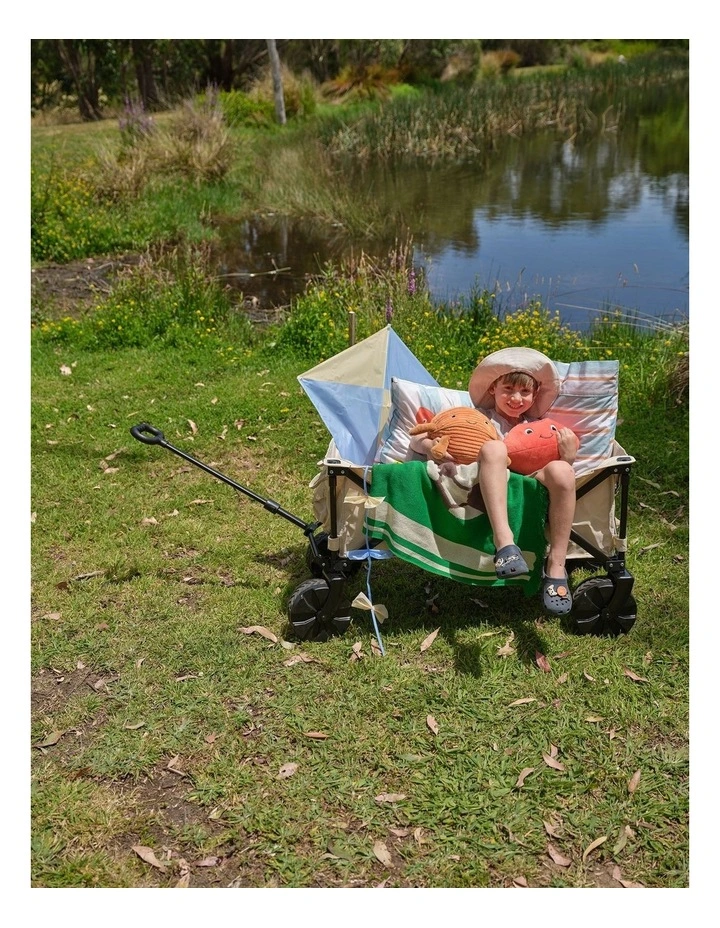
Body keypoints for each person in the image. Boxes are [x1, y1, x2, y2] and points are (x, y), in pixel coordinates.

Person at [468, 347, 579, 615]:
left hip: (532, 481)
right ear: (493, 388)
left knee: (562, 471)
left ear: (535, 395)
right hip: (496, 478)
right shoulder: (480, 419)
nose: (516, 398)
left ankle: (556, 563)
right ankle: (504, 542)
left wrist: (568, 456)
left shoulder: (540, 426)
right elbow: (448, 433)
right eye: (508, 389)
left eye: (525, 392)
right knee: (494, 449)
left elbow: (552, 463)